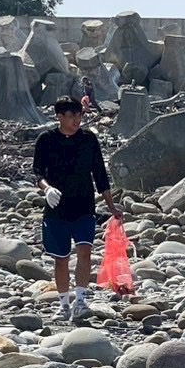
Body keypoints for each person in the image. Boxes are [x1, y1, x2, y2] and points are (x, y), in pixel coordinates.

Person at [33, 97, 123, 322]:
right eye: (71, 115)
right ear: (59, 116)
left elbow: (99, 174)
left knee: (85, 251)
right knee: (61, 259)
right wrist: (47, 189)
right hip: (56, 208)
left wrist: (111, 206)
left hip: (84, 206)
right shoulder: (46, 140)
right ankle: (64, 304)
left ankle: (81, 301)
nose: (76, 120)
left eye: (79, 115)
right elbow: (38, 172)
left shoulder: (88, 139)